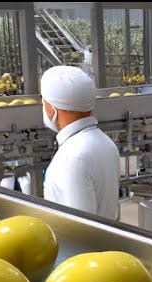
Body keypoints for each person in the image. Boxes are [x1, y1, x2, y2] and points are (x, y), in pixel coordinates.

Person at [40, 66, 120, 220]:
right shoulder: (106, 143)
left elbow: (80, 228)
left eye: (43, 103)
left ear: (51, 109)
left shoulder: (72, 157)